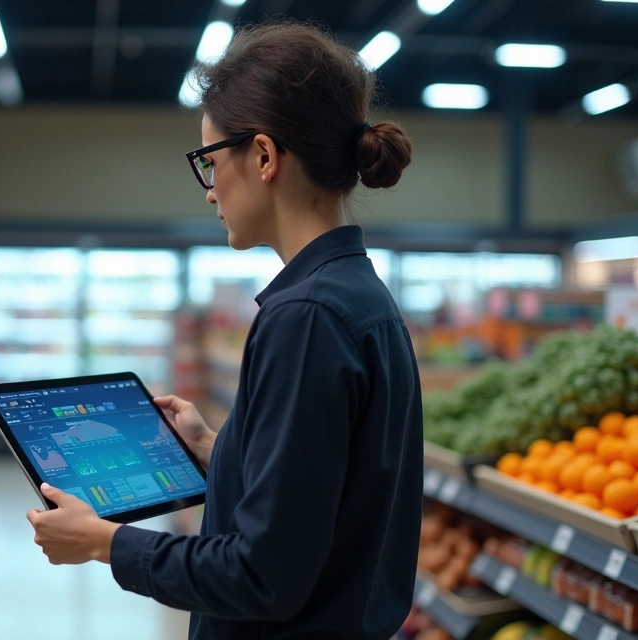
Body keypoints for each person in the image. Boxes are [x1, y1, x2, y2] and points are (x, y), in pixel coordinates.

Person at [26, 21, 423, 640]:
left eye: (209, 162)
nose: (209, 193)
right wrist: (220, 450)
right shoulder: (360, 297)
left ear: (263, 157)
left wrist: (105, 542)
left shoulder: (306, 318)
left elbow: (262, 576)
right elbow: (332, 497)